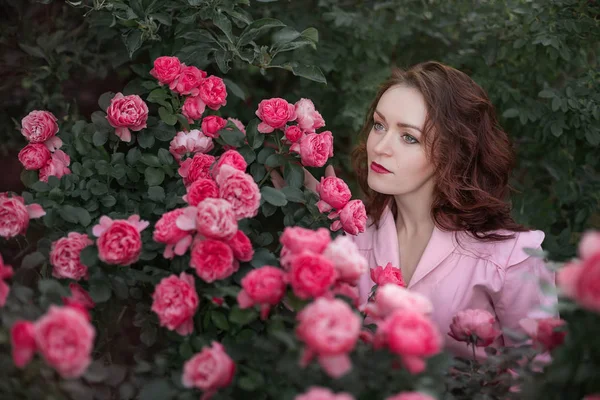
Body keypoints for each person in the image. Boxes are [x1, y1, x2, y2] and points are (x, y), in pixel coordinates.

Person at [272, 61, 557, 359]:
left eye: (409, 137)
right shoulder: (349, 236)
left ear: (453, 152)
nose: (380, 146)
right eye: (379, 125)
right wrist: (313, 221)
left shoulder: (513, 258)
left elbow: (538, 378)